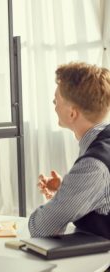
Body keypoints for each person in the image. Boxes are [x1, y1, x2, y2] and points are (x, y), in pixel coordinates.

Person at [29, 62, 110, 238]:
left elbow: (42, 228)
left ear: (72, 114)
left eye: (55, 100)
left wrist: (61, 203)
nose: (54, 105)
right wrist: (66, 191)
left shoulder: (93, 166)